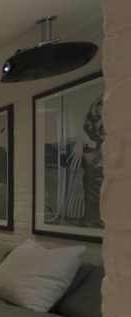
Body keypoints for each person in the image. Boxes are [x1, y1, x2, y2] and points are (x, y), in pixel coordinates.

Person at [67, 94, 104, 228]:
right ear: (91, 124)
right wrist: (77, 141)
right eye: (98, 119)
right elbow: (54, 147)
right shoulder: (88, 156)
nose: (103, 124)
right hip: (89, 227)